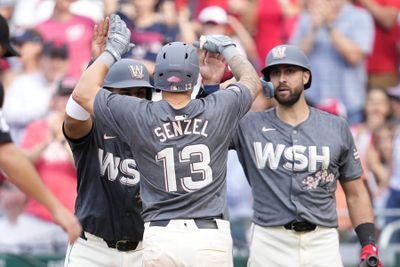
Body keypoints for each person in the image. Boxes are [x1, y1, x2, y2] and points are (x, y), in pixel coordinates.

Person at [71, 14, 261, 267]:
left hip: (161, 234)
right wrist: (230, 50)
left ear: (157, 78)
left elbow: (82, 93)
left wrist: (111, 52)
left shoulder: (140, 114)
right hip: (209, 235)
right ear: (194, 79)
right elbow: (251, 81)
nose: (134, 96)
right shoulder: (217, 107)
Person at [230, 44, 381, 266]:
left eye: (289, 71)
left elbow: (356, 192)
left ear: (305, 76)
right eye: (275, 73)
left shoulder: (335, 126)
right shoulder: (249, 125)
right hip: (270, 240)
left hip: (322, 240)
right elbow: (209, 128)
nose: (282, 78)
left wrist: (368, 242)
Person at [62, 20, 154, 266]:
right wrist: (103, 58)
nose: (133, 101)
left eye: (140, 93)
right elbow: (75, 112)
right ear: (104, 94)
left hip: (146, 249)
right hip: (92, 249)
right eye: (125, 93)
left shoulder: (155, 131)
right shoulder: (92, 126)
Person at [0, 14, 81, 244]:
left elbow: (9, 156)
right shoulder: (39, 125)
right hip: (38, 217)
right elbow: (8, 156)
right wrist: (55, 208)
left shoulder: (82, 128)